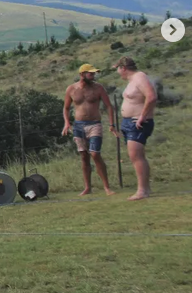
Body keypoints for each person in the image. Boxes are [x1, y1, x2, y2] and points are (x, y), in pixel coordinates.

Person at [62, 64, 119, 196]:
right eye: (90, 74)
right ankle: (88, 187)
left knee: (95, 153)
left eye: (94, 74)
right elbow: (65, 108)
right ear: (82, 74)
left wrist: (112, 124)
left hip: (95, 124)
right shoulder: (71, 89)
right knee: (84, 156)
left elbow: (109, 106)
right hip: (78, 125)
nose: (93, 76)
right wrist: (66, 122)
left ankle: (107, 187)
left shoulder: (98, 88)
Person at [113, 56, 157, 201]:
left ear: (123, 68)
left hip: (137, 123)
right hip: (129, 122)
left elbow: (151, 96)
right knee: (135, 156)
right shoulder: (133, 80)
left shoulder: (139, 77)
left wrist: (142, 116)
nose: (118, 72)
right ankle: (145, 188)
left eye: (118, 69)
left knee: (136, 156)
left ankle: (142, 190)